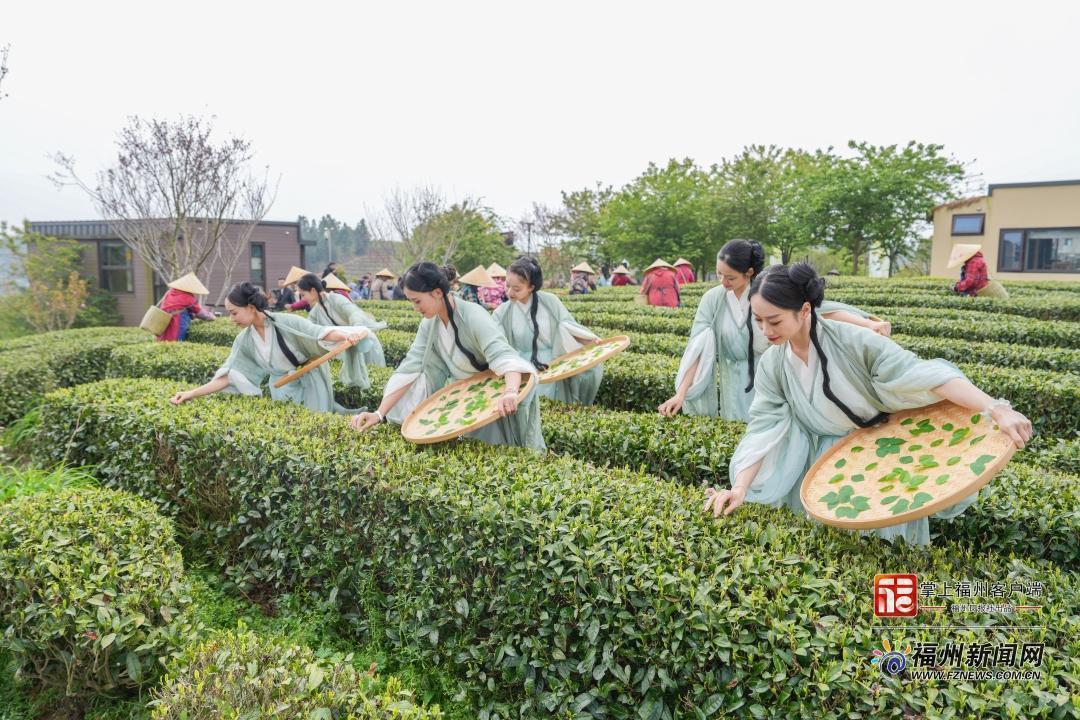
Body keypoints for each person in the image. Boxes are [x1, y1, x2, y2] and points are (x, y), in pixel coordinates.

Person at [701, 263, 1033, 545]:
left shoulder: (857, 342)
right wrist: (739, 487)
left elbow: (926, 375)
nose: (765, 330)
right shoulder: (773, 364)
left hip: (876, 456)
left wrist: (995, 408)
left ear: (804, 310)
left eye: (774, 321)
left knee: (883, 549)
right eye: (758, 321)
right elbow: (764, 427)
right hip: (819, 466)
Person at [660, 240, 892, 422]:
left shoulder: (765, 292)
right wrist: (681, 393)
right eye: (719, 274)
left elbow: (819, 312)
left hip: (769, 374)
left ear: (749, 272)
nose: (723, 281)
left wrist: (869, 325)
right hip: (733, 381)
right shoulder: (713, 299)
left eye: (730, 276)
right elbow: (698, 347)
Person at [349, 262, 544, 451]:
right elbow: (411, 366)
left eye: (417, 301)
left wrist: (510, 392)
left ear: (437, 293)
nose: (415, 308)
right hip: (464, 399)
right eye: (411, 302)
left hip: (492, 396)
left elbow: (504, 356)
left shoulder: (473, 315)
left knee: (498, 454)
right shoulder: (429, 324)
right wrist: (379, 413)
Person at [169, 282, 371, 413]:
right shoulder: (244, 340)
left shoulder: (285, 322)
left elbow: (318, 333)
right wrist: (191, 393)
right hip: (281, 389)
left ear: (250, 308)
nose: (231, 319)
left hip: (310, 385)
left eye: (234, 313)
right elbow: (228, 375)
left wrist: (347, 334)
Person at [493, 256, 604, 404]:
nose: (509, 292)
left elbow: (567, 327)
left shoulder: (550, 302)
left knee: (554, 405)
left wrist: (590, 341)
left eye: (516, 288)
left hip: (551, 365)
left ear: (531, 287)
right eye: (507, 286)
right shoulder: (503, 312)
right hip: (522, 369)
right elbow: (493, 339)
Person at [297, 273, 387, 384]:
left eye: (303, 294)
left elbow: (353, 313)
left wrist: (356, 330)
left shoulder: (336, 299)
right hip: (348, 347)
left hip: (362, 342)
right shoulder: (315, 312)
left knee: (374, 380)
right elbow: (310, 330)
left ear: (313, 291)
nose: (302, 299)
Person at [156, 273, 215, 342]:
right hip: (176, 324)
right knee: (176, 343)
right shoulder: (188, 297)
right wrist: (212, 316)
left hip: (164, 323)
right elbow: (201, 313)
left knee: (164, 343)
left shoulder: (170, 292)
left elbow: (180, 308)